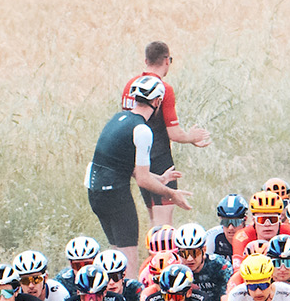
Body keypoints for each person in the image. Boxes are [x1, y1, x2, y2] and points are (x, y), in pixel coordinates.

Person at [88, 76, 191, 260]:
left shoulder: (118, 117)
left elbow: (124, 165)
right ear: (157, 102)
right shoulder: (142, 130)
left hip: (95, 192)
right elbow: (143, 180)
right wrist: (171, 193)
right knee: (128, 258)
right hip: (115, 193)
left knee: (115, 254)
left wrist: (158, 179)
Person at [122, 43, 211, 229]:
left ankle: (151, 257)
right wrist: (192, 137)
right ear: (166, 60)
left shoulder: (130, 85)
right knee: (165, 227)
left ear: (146, 61)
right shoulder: (163, 89)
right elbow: (174, 134)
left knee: (154, 222)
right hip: (161, 161)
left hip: (139, 162)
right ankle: (163, 258)